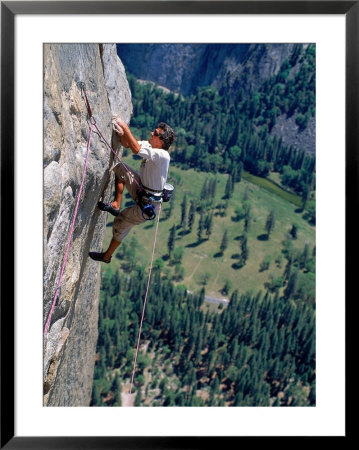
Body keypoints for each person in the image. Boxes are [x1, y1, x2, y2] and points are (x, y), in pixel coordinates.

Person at [89, 116, 176, 263]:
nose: (151, 133)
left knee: (121, 221)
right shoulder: (151, 147)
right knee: (120, 169)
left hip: (149, 204)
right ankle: (116, 203)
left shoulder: (162, 155)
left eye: (155, 133)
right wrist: (123, 135)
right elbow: (129, 144)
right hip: (142, 190)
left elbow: (136, 149)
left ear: (161, 141)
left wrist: (125, 126)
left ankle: (106, 256)